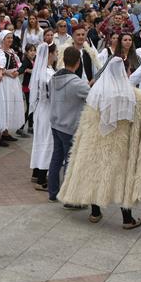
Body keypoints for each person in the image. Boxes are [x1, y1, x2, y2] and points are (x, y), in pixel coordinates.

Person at [57, 56, 141, 227]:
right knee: (122, 179)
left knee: (97, 175)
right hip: (121, 146)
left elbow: (87, 122)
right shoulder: (135, 96)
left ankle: (95, 212)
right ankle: (127, 219)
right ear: (126, 71)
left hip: (97, 144)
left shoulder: (96, 94)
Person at [47, 47, 90, 203]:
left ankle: (53, 192)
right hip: (70, 126)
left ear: (63, 60)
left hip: (55, 123)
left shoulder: (53, 78)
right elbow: (93, 99)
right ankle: (68, 197)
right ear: (78, 63)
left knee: (56, 158)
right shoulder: (77, 84)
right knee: (70, 162)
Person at [28, 43, 56, 190]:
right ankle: (41, 179)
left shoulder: (42, 70)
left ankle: (36, 171)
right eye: (55, 52)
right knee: (47, 142)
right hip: (47, 110)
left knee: (40, 140)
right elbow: (51, 93)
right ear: (49, 54)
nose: (57, 54)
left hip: (40, 109)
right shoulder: (47, 73)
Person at [0, 30, 26, 140]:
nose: (10, 40)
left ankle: (6, 131)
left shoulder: (12, 51)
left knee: (13, 104)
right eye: (8, 38)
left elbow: (18, 64)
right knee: (6, 105)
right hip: (5, 81)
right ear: (2, 39)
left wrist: (17, 71)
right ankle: (1, 132)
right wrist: (8, 73)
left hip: (13, 80)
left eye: (11, 38)